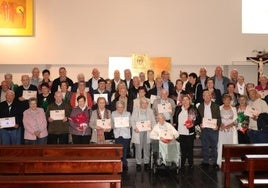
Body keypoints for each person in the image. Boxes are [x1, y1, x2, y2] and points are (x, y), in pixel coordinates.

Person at [173, 95, 200, 168]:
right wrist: (175, 123)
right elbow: (175, 117)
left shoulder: (193, 108)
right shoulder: (178, 108)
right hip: (180, 132)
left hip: (189, 132)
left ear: (189, 100)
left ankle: (191, 164)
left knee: (189, 149)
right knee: (182, 149)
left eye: (186, 99)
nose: (185, 101)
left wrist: (193, 124)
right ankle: (182, 163)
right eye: (183, 100)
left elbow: (198, 119)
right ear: (181, 101)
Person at [197, 91, 221, 169]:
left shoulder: (216, 106)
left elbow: (219, 118)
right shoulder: (200, 106)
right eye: (205, 95)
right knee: (205, 146)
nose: (206, 97)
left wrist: (217, 126)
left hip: (213, 129)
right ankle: (205, 162)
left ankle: (214, 163)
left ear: (211, 96)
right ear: (203, 97)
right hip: (204, 129)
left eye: (208, 95)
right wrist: (200, 124)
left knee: (214, 147)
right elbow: (198, 118)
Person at [131, 98, 156, 171]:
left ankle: (146, 163)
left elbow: (153, 121)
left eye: (146, 103)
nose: (144, 104)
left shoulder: (150, 111)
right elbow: (132, 120)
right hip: (138, 131)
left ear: (148, 104)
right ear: (140, 103)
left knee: (147, 147)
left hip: (147, 131)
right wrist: (135, 128)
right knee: (138, 147)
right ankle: (138, 163)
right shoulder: (136, 110)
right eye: (142, 103)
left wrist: (152, 127)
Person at [217, 94, 238, 167]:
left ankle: (231, 163)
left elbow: (236, 120)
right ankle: (221, 162)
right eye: (225, 99)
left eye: (229, 100)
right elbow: (217, 118)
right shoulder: (219, 108)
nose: (227, 101)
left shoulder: (234, 109)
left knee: (230, 145)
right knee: (221, 145)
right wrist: (220, 124)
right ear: (223, 100)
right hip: (222, 129)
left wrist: (230, 125)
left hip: (231, 130)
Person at [111, 101, 131, 171]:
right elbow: (111, 123)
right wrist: (113, 126)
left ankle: (124, 163)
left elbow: (131, 123)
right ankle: (119, 163)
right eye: (118, 107)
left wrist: (129, 125)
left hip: (125, 134)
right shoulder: (113, 113)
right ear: (116, 107)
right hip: (117, 134)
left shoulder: (128, 113)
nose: (120, 108)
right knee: (118, 150)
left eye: (121, 107)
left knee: (125, 150)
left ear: (123, 107)